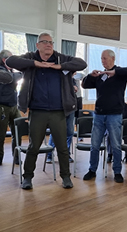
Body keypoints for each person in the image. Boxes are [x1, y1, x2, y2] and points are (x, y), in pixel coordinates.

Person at [6, 32, 87, 189]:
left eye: (50, 42)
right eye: (44, 42)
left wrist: (61, 66)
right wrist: (35, 64)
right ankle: (28, 177)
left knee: (62, 147)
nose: (48, 44)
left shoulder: (60, 58)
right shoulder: (30, 57)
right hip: (38, 111)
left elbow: (81, 63)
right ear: (37, 45)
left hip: (58, 112)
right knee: (33, 146)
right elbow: (10, 61)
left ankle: (65, 177)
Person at [82, 49, 127, 183]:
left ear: (112, 59)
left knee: (116, 145)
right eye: (101, 59)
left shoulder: (120, 74)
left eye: (105, 58)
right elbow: (84, 84)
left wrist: (114, 72)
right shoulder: (100, 76)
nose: (102, 61)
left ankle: (117, 171)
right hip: (99, 114)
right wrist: (90, 75)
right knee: (95, 145)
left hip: (114, 115)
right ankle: (92, 170)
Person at [46, 80, 78, 163]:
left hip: (70, 108)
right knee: (55, 132)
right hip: (59, 109)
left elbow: (75, 89)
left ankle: (66, 155)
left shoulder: (72, 80)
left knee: (70, 132)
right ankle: (49, 154)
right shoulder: (58, 78)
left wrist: (74, 87)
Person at [0, 49, 23, 166]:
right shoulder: (1, 71)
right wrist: (22, 72)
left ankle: (17, 157)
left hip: (14, 105)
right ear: (4, 60)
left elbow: (15, 77)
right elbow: (10, 78)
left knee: (18, 132)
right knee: (1, 134)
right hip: (2, 107)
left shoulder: (11, 70)